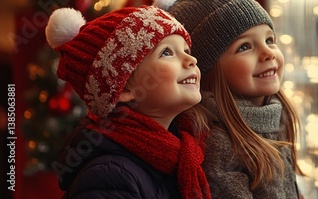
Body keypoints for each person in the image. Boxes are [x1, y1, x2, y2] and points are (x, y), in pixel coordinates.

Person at [46, 5, 211, 199]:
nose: (191, 59)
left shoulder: (184, 153)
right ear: (123, 89)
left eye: (186, 50)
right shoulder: (110, 175)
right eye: (167, 52)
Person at [156, 0, 303, 198]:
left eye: (269, 40)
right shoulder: (218, 145)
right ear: (207, 70)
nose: (268, 53)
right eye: (244, 47)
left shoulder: (276, 116)